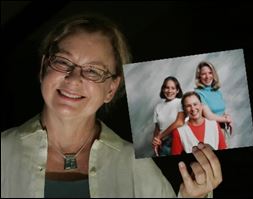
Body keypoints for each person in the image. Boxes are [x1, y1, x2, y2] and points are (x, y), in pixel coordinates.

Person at [1, 14, 222, 198]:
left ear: (111, 89)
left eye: (94, 71)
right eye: (62, 61)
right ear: (43, 68)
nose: (74, 78)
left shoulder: (138, 169)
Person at [194, 61, 233, 140]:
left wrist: (227, 116)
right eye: (203, 74)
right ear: (199, 77)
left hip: (223, 129)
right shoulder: (198, 93)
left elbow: (221, 111)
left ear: (213, 74)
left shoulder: (217, 92)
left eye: (210, 73)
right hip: (210, 133)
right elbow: (209, 116)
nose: (207, 76)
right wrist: (226, 119)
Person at [152, 76, 185, 156]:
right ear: (163, 89)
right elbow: (157, 127)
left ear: (177, 90)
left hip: (177, 141)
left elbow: (180, 122)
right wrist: (155, 141)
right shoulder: (158, 106)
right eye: (167, 88)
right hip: (163, 144)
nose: (170, 91)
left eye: (173, 88)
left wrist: (160, 136)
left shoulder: (181, 102)